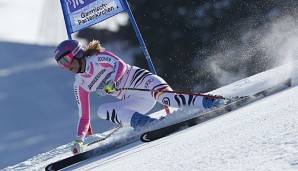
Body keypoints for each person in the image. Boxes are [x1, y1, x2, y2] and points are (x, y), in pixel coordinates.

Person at [54, 39, 230, 155]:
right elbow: (85, 117)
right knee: (101, 110)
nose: (65, 67)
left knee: (167, 99)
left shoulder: (98, 58)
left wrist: (112, 83)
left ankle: (211, 102)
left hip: (143, 81)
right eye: (60, 64)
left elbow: (120, 65)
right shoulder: (80, 84)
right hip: (135, 101)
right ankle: (144, 124)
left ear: (76, 53)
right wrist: (79, 140)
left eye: (65, 60)